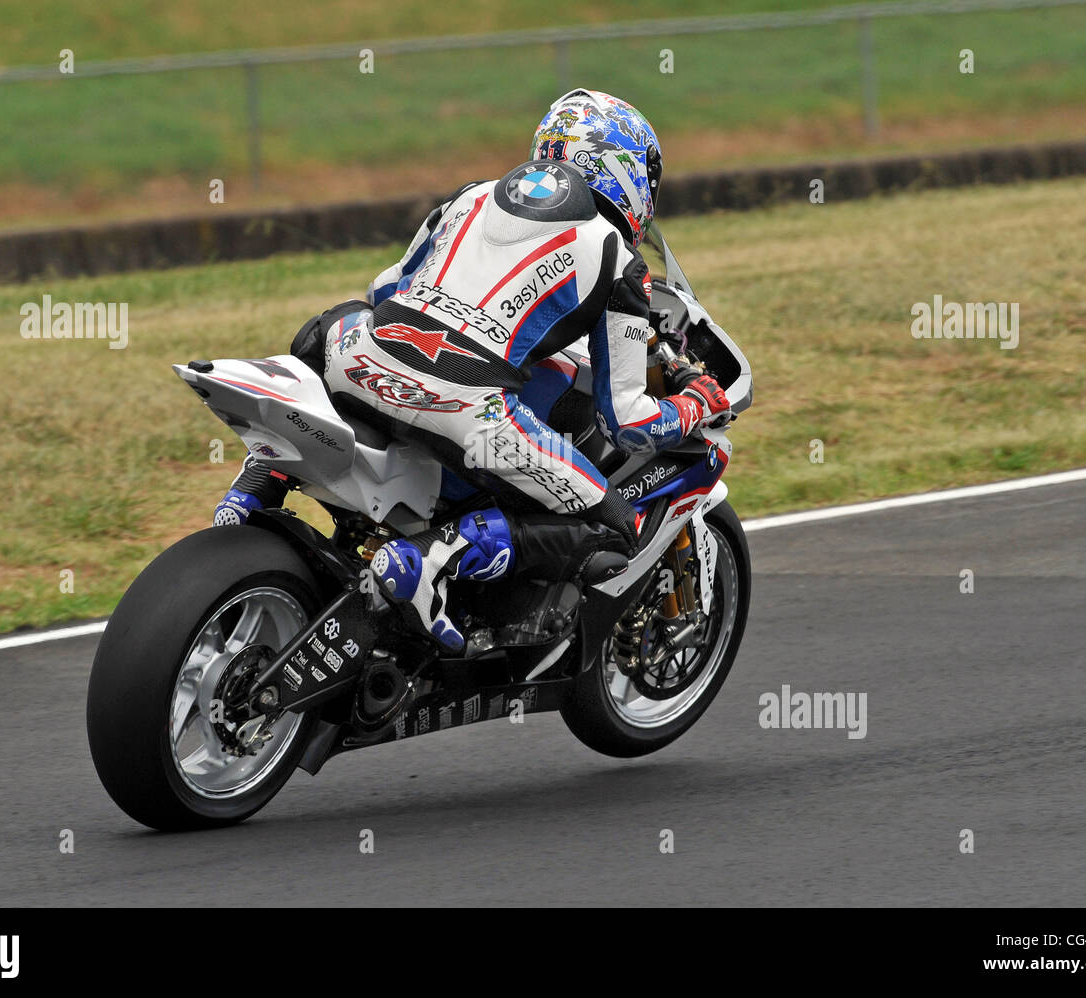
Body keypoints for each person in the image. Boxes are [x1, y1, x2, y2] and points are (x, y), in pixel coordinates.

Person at [216, 89, 730, 652]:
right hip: (467, 409)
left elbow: (387, 288)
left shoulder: (473, 196)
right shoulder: (618, 259)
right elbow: (625, 422)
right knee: (613, 522)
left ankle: (248, 496)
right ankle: (429, 560)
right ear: (626, 170)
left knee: (339, 321)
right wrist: (697, 401)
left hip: (359, 358)